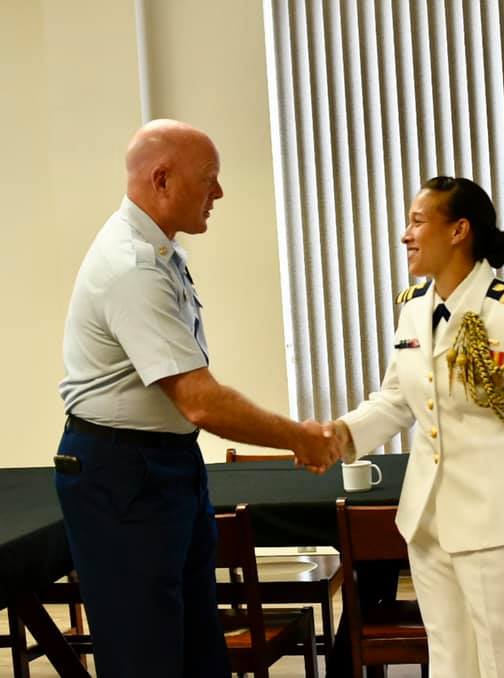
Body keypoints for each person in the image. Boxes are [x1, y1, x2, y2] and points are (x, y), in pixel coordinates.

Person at [56, 119, 341, 678]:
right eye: (209, 179)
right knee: (147, 655)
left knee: (195, 647)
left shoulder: (163, 253)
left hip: (166, 464)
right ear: (162, 180)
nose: (219, 193)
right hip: (122, 472)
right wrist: (297, 437)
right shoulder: (131, 266)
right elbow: (201, 401)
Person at [328, 176, 504, 677]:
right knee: (449, 664)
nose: (406, 234)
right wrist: (340, 435)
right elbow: (397, 398)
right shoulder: (413, 308)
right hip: (429, 521)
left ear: (458, 231)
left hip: (501, 520)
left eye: (418, 221)